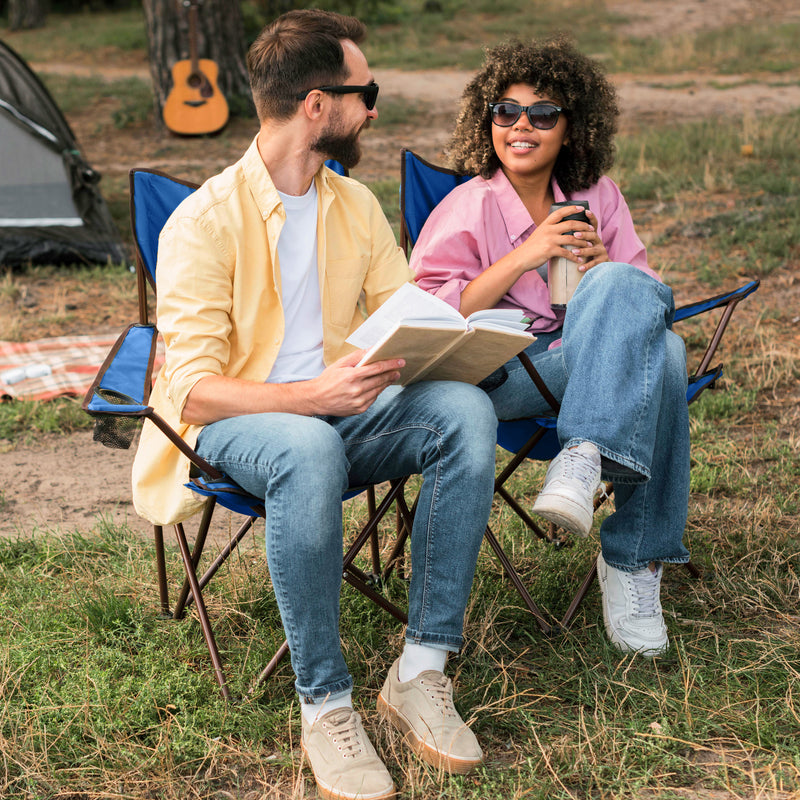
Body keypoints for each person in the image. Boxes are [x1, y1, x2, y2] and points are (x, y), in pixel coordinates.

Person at [131, 10, 498, 799]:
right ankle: (326, 705)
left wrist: (448, 347)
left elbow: (403, 313)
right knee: (307, 446)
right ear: (316, 105)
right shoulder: (204, 221)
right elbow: (191, 388)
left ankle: (421, 670)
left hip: (345, 411)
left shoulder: (356, 206)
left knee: (466, 413)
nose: (374, 108)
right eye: (365, 93)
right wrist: (310, 396)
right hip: (243, 427)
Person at [410, 36, 691, 658]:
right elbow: (431, 309)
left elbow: (646, 296)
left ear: (571, 128)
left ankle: (587, 456)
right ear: (487, 123)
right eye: (505, 112)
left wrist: (602, 268)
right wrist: (527, 255)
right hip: (505, 373)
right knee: (663, 358)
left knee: (658, 342)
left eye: (542, 114)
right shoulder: (468, 205)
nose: (521, 127)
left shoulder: (598, 195)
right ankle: (631, 555)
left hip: (588, 369)